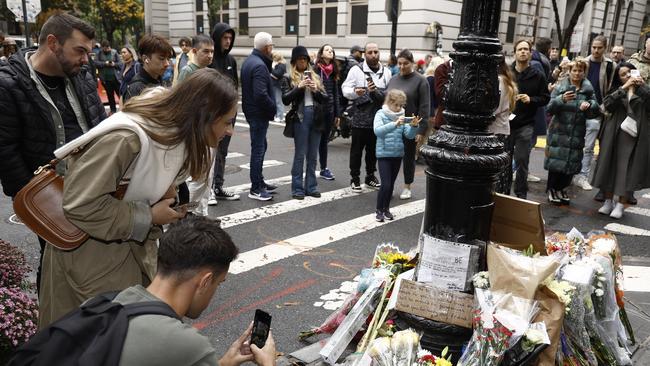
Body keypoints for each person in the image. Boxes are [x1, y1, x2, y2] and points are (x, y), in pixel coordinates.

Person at [38, 69, 238, 328]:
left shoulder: (171, 133)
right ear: (205, 116)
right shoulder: (127, 138)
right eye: (227, 121)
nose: (230, 131)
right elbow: (80, 204)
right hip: (91, 260)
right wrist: (150, 215)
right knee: (90, 344)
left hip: (119, 253)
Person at [0, 13, 105, 297]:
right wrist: (33, 200)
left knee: (95, 267)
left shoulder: (81, 75)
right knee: (56, 266)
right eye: (80, 50)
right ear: (52, 43)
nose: (85, 59)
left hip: (95, 188)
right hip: (48, 195)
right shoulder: (8, 84)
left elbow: (99, 125)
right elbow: (5, 151)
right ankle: (54, 328)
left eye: (88, 52)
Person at [592, 62, 650, 218]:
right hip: (614, 132)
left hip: (635, 135)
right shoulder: (617, 91)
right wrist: (624, 88)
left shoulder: (644, 90)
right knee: (609, 165)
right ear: (618, 78)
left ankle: (620, 204)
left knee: (627, 169)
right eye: (623, 75)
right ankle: (608, 201)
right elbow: (605, 106)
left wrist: (642, 86)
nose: (627, 77)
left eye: (629, 73)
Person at [545, 59, 598, 205]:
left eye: (580, 70)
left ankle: (562, 188)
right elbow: (549, 108)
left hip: (577, 131)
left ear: (584, 72)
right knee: (556, 163)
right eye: (574, 70)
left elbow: (595, 108)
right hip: (559, 131)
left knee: (571, 163)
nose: (577, 73)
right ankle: (552, 189)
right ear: (569, 71)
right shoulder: (561, 86)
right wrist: (561, 99)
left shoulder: (588, 89)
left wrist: (589, 105)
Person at [341, 42, 392, 192]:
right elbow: (345, 89)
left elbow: (390, 94)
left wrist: (378, 93)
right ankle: (354, 178)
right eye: (370, 52)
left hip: (378, 119)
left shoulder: (387, 72)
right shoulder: (356, 70)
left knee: (373, 151)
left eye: (376, 52)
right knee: (356, 151)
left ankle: (370, 176)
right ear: (364, 54)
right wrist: (357, 92)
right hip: (360, 119)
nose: (373, 55)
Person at [177, 35, 217, 217]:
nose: (210, 56)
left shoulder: (207, 72)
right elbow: (183, 104)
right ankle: (187, 214)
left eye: (212, 52)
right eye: (206, 51)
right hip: (196, 132)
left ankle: (201, 214)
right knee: (198, 178)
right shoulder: (188, 71)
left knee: (207, 178)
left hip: (209, 130)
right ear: (194, 51)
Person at [281, 46, 328, 200]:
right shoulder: (288, 77)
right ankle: (297, 188)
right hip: (300, 118)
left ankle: (311, 186)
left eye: (305, 59)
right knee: (300, 154)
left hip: (316, 117)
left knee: (313, 155)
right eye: (300, 59)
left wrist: (316, 90)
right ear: (294, 61)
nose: (303, 62)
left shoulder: (315, 76)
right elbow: (285, 99)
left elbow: (326, 98)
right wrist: (299, 87)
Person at [386, 49, 430, 200]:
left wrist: (421, 129)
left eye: (405, 63)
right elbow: (387, 101)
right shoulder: (393, 79)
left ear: (412, 63)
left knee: (408, 157)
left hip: (410, 125)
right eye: (399, 63)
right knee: (391, 156)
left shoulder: (421, 80)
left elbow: (425, 107)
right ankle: (389, 185)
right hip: (392, 124)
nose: (402, 66)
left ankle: (407, 186)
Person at [509, 39, 550, 199]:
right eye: (520, 49)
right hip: (506, 124)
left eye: (526, 49)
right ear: (515, 53)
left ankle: (521, 195)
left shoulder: (537, 75)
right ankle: (502, 192)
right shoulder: (507, 73)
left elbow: (545, 98)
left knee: (521, 161)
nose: (523, 52)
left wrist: (531, 99)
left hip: (526, 124)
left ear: (531, 53)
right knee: (504, 161)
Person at [574, 35, 614, 192]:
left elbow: (610, 87)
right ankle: (572, 173)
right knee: (575, 143)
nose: (596, 50)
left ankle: (583, 176)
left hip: (597, 112)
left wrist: (603, 107)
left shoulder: (611, 65)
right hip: (579, 108)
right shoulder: (583, 62)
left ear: (605, 48)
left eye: (599, 48)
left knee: (589, 147)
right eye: (594, 47)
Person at [373, 89, 420, 222]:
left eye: (401, 105)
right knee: (386, 184)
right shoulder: (380, 114)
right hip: (384, 154)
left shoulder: (402, 115)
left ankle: (386, 209)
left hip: (397, 154)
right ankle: (379, 209)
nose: (399, 108)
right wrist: (394, 124)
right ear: (389, 102)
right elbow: (378, 131)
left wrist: (414, 127)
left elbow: (408, 135)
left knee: (391, 184)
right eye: (396, 105)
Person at [241, 32, 277, 201]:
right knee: (258, 150)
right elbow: (260, 94)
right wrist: (273, 108)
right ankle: (256, 188)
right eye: (271, 46)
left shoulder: (249, 61)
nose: (272, 49)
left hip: (252, 112)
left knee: (261, 146)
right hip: (258, 114)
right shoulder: (260, 65)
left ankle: (260, 182)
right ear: (266, 47)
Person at [209, 22, 241, 203]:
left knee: (223, 151)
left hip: (229, 114)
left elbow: (235, 87)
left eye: (230, 38)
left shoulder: (231, 61)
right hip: (212, 115)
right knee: (210, 152)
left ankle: (218, 186)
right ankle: (208, 189)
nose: (228, 41)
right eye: (225, 38)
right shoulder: (210, 60)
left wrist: (233, 113)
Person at [314, 44, 340, 181]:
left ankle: (324, 168)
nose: (330, 51)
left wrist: (337, 114)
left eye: (332, 50)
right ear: (321, 53)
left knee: (324, 141)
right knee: (314, 140)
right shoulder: (316, 69)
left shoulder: (333, 70)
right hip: (317, 110)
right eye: (327, 50)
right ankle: (311, 167)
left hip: (329, 111)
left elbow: (336, 94)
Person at [491, 59, 517, 195]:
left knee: (497, 170)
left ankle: (498, 199)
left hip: (496, 130)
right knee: (501, 168)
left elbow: (496, 108)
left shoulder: (499, 80)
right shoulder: (505, 80)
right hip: (501, 129)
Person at [123, 34, 173, 101]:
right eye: (161, 58)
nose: (167, 63)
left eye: (168, 58)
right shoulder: (136, 88)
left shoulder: (160, 79)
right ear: (145, 59)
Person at [94, 40, 121, 114]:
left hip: (116, 78)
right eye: (105, 48)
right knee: (110, 96)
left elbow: (120, 64)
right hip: (105, 79)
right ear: (102, 48)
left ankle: (124, 109)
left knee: (120, 94)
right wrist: (105, 63)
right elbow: (95, 63)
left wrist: (114, 64)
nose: (107, 49)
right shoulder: (99, 53)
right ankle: (113, 110)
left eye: (108, 48)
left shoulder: (114, 52)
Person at [271, 52, 287, 123]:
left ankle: (280, 116)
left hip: (278, 85)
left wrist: (271, 69)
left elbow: (277, 74)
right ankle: (278, 115)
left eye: (274, 57)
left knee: (278, 101)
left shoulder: (281, 65)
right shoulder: (279, 64)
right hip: (275, 84)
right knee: (276, 101)